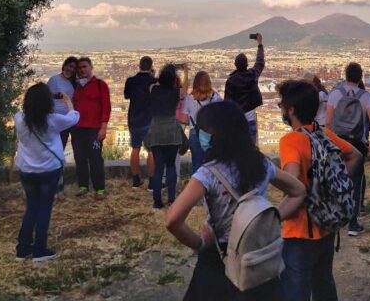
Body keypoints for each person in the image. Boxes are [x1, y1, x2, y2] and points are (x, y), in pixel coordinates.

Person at [165, 101, 305, 301]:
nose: (201, 135)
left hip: (220, 257)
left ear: (216, 134)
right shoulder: (261, 164)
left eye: (203, 130)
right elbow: (298, 191)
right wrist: (270, 218)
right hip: (259, 253)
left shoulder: (209, 173)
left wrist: (200, 243)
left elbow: (172, 220)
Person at [278, 80, 362, 301]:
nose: (281, 109)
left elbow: (294, 182)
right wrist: (337, 186)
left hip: (300, 230)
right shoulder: (323, 133)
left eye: (282, 105)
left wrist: (273, 215)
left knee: (296, 289)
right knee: (323, 283)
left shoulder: (291, 141)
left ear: (291, 110)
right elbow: (355, 156)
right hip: (327, 224)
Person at [14, 83, 80, 262]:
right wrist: (67, 102)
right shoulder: (53, 120)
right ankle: (39, 250)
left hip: (27, 170)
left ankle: (23, 248)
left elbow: (29, 114)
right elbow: (74, 118)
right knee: (44, 209)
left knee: (32, 207)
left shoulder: (19, 118)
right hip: (49, 170)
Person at [326, 62, 370, 236]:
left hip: (336, 142)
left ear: (346, 75)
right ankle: (353, 223)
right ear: (360, 77)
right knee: (356, 181)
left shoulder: (334, 94)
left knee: (335, 177)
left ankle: (334, 214)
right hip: (357, 144)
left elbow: (328, 122)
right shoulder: (366, 97)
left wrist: (327, 142)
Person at [72, 57, 111, 200]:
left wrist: (103, 127)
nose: (82, 70)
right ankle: (83, 186)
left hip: (94, 129)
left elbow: (106, 107)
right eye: (80, 68)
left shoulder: (101, 85)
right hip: (77, 129)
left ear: (91, 67)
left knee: (95, 159)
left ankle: (99, 189)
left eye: (84, 67)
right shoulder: (76, 86)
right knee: (80, 158)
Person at [146, 64, 184, 209]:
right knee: (171, 166)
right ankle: (172, 199)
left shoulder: (153, 89)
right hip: (171, 130)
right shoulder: (176, 92)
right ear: (173, 80)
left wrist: (159, 74)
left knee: (158, 168)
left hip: (156, 131)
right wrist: (184, 71)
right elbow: (184, 89)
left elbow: (153, 83)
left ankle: (157, 201)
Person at [225, 33, 265, 144]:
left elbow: (227, 103)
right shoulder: (252, 75)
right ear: (247, 64)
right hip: (250, 119)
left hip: (236, 121)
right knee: (251, 152)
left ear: (235, 64)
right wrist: (260, 44)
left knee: (237, 152)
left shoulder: (231, 81)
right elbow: (260, 62)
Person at [124, 56, 157, 188]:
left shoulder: (131, 81)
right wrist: (153, 77)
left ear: (139, 65)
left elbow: (126, 96)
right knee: (151, 151)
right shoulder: (154, 81)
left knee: (135, 149)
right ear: (151, 66)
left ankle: (136, 180)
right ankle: (151, 182)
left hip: (133, 119)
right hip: (149, 119)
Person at [181, 71, 222, 174]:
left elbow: (184, 119)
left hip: (195, 132)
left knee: (196, 163)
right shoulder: (216, 97)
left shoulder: (189, 98)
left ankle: (198, 187)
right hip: (211, 133)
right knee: (212, 163)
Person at [47, 56, 78, 192]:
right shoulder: (54, 80)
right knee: (57, 151)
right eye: (69, 66)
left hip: (69, 120)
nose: (71, 69)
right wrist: (58, 96)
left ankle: (59, 182)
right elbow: (46, 96)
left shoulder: (73, 83)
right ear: (64, 65)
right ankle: (57, 183)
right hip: (58, 121)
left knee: (62, 151)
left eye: (73, 68)